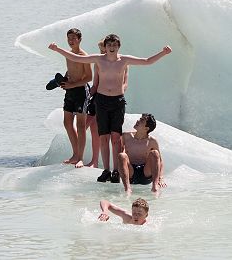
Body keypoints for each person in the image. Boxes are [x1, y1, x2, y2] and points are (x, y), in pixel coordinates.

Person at [48, 34, 172, 183]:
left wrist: (163, 53)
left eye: (114, 45)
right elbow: (77, 58)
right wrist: (57, 49)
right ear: (105, 47)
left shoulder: (124, 60)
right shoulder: (99, 59)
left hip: (117, 102)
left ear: (118, 47)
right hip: (102, 101)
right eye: (109, 45)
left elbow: (147, 61)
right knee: (103, 137)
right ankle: (106, 170)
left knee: (115, 138)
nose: (112, 48)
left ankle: (115, 170)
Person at [84, 39, 129, 168]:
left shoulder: (122, 62)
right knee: (94, 129)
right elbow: (95, 83)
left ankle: (113, 165)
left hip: (115, 97)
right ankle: (94, 160)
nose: (102, 51)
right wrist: (88, 96)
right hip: (99, 97)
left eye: (102, 49)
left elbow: (125, 83)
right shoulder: (99, 61)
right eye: (101, 49)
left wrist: (119, 92)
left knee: (113, 134)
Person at [59, 28, 92, 168]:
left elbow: (89, 77)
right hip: (70, 91)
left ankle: (80, 158)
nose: (71, 41)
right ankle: (75, 154)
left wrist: (72, 85)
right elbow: (71, 70)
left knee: (80, 125)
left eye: (74, 38)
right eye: (69, 38)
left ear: (79, 39)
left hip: (81, 91)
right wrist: (65, 80)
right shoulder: (69, 54)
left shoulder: (84, 56)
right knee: (67, 123)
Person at [118, 113, 166, 193]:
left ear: (146, 128)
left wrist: (161, 178)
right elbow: (121, 159)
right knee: (122, 155)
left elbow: (160, 161)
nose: (138, 121)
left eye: (142, 120)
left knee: (155, 153)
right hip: (131, 173)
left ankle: (155, 186)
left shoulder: (152, 141)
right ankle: (127, 188)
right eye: (140, 119)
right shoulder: (126, 136)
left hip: (146, 173)